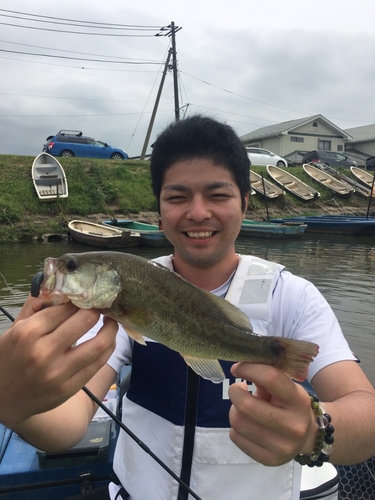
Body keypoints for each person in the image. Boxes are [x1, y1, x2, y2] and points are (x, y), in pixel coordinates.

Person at [1, 115, 375, 500]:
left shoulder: (293, 295)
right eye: (178, 197)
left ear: (245, 204)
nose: (198, 213)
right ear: (160, 210)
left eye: (218, 195)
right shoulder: (111, 311)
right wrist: (13, 403)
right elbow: (68, 424)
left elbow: (367, 415)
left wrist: (315, 431)